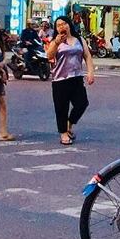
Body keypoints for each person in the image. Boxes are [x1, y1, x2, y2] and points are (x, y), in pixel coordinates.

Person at [46, 16, 95, 146]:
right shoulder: (55, 41)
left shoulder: (79, 39)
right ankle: (63, 133)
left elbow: (87, 56)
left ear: (69, 25)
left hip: (76, 77)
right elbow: (49, 56)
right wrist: (56, 43)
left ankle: (69, 124)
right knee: (61, 108)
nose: (62, 27)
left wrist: (90, 72)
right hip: (60, 79)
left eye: (64, 24)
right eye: (59, 25)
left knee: (82, 103)